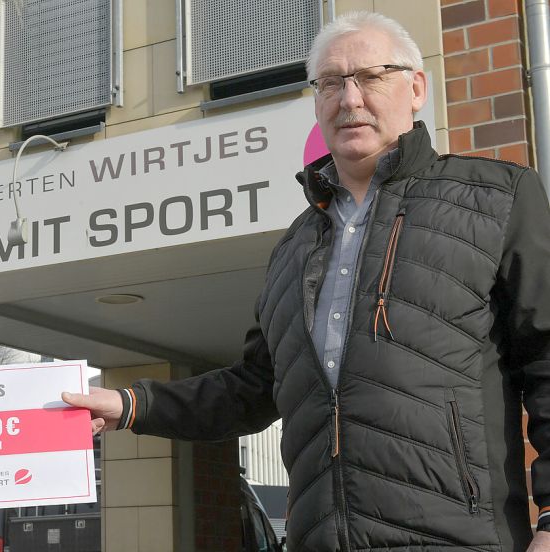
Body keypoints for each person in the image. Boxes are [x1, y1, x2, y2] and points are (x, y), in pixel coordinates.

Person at [63, 11, 550, 552]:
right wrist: (130, 405)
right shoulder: (294, 249)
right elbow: (253, 389)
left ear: (416, 88)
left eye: (371, 76)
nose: (350, 99)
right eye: (331, 83)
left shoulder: (497, 199)